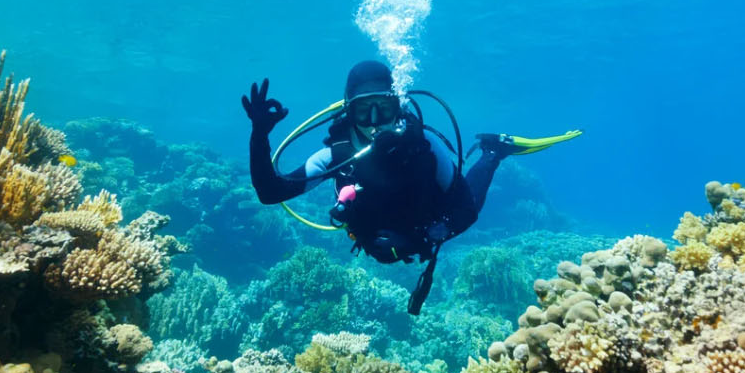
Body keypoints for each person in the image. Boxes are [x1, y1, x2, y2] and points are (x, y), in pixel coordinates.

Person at [242, 59, 577, 314]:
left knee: (473, 196)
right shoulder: (336, 156)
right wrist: (260, 134)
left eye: (383, 108)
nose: (375, 121)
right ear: (349, 110)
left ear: (397, 106)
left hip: (428, 225)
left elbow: (465, 210)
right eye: (364, 110)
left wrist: (430, 235)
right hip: (378, 239)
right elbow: (271, 193)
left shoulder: (426, 145)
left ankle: (493, 152)